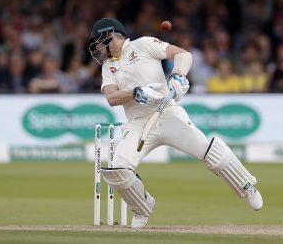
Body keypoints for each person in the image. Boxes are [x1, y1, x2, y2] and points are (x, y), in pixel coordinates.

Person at [88, 18, 263, 229]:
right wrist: (135, 93)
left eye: (99, 42)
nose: (98, 48)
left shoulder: (142, 45)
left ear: (110, 35)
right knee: (117, 170)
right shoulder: (109, 67)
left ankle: (246, 185)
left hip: (167, 113)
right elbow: (112, 98)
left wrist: (178, 75)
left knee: (207, 151)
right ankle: (142, 207)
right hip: (138, 122)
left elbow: (183, 54)